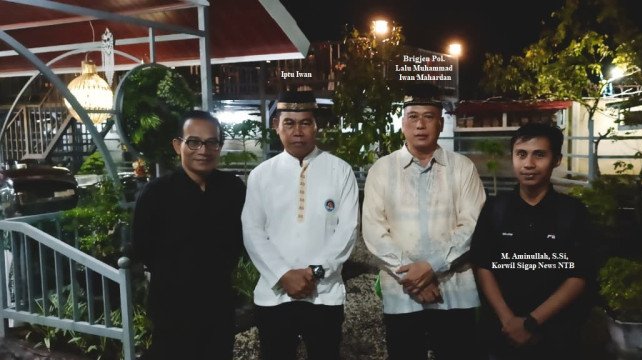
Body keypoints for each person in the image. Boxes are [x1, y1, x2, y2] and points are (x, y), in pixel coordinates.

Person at [362, 83, 487, 360]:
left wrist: (431, 266)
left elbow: (473, 225)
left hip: (455, 292)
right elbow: (374, 231)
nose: (420, 125)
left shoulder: (462, 167)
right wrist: (413, 277)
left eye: (429, 117)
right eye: (413, 117)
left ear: (440, 124)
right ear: (402, 123)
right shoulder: (382, 170)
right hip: (402, 294)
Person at [241, 90, 358, 360]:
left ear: (316, 126)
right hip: (274, 294)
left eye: (305, 123)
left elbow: (348, 229)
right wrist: (284, 274)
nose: (297, 131)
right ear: (276, 126)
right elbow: (252, 231)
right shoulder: (261, 175)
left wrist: (315, 272)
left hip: (324, 294)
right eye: (289, 123)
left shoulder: (340, 171)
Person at [471, 122, 597, 359]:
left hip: (556, 335)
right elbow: (483, 265)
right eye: (521, 154)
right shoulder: (495, 209)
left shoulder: (573, 212)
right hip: (501, 332)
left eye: (539, 155)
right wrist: (508, 321)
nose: (528, 164)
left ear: (556, 160)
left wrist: (531, 322)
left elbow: (580, 274)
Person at [132, 110, 246, 360]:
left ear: (219, 146)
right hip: (172, 307)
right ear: (177, 145)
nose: (203, 150)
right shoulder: (156, 193)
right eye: (193, 142)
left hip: (218, 303)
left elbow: (240, 239)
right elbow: (142, 247)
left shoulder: (233, 189)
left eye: (211, 142)